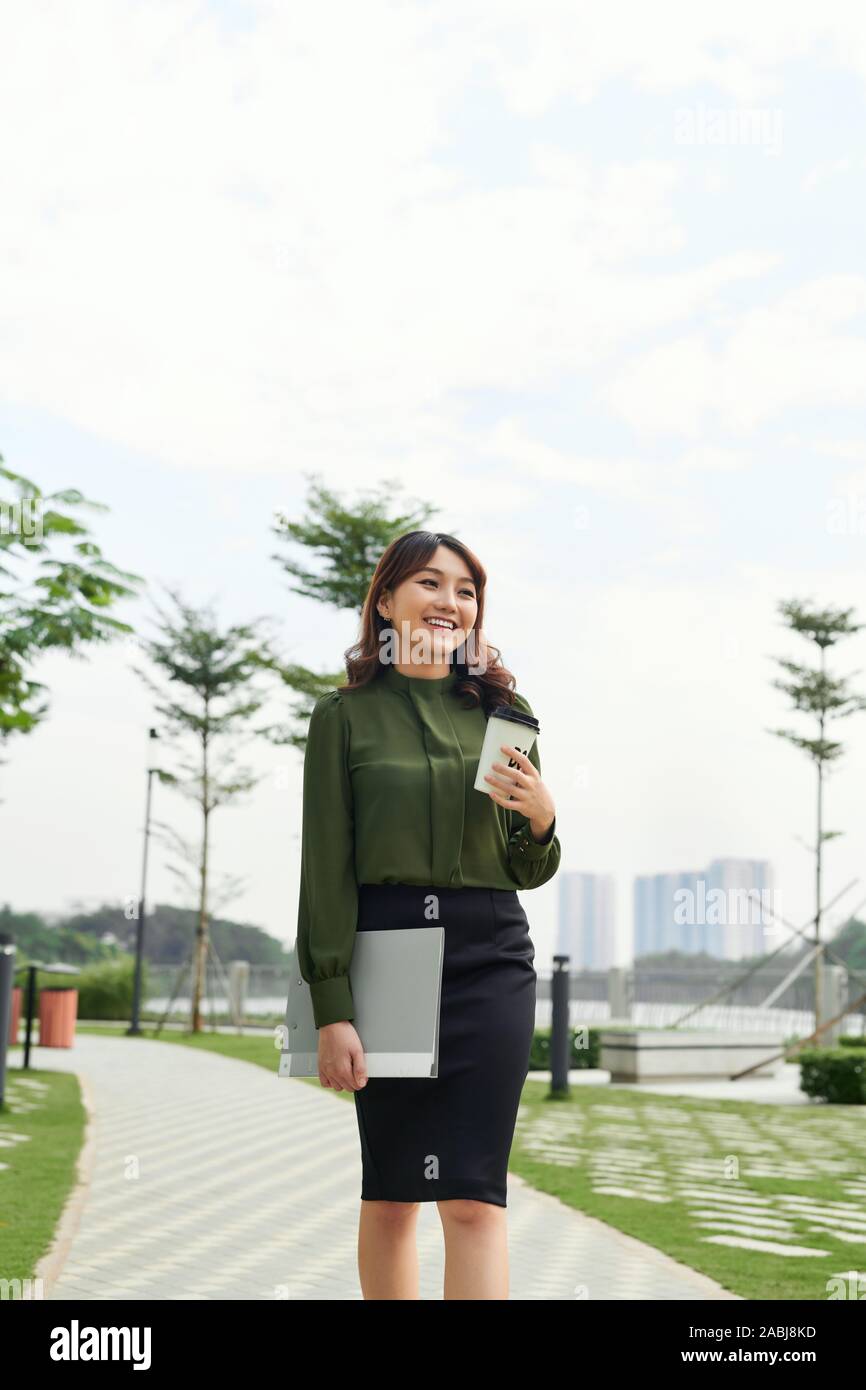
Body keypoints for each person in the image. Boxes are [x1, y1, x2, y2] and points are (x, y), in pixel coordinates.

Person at [296, 529, 561, 1299]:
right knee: (391, 1194)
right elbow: (325, 871)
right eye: (431, 584)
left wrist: (543, 818)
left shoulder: (506, 714)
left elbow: (525, 865)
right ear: (385, 600)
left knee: (475, 1195)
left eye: (467, 590)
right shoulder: (342, 718)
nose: (451, 602)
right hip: (388, 955)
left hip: (491, 957)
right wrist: (332, 1008)